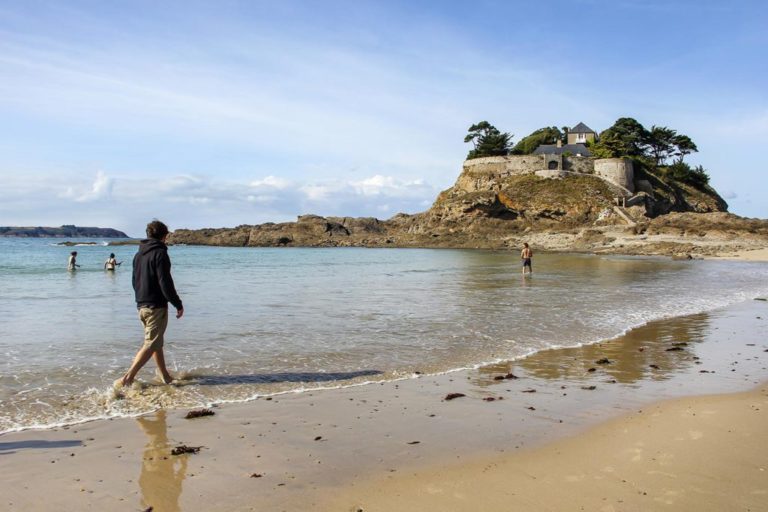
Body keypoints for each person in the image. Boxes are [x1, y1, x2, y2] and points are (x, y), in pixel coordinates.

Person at [116, 220, 184, 387]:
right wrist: (177, 303)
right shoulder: (160, 253)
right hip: (156, 306)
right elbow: (165, 282)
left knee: (155, 342)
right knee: (151, 343)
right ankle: (127, 378)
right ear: (164, 236)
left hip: (142, 304)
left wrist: (140, 299)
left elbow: (134, 280)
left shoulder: (139, 254)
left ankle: (165, 376)